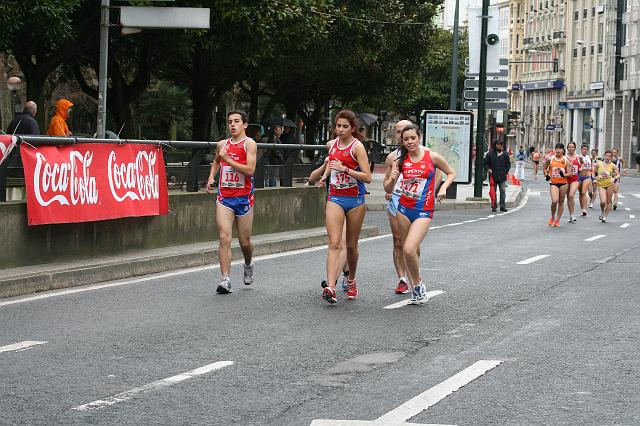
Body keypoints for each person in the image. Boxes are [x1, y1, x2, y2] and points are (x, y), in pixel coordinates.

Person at [384, 124, 456, 304]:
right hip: (403, 209)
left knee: (409, 248)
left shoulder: (431, 156)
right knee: (410, 250)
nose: (409, 142)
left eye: (412, 138)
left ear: (419, 138)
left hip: (423, 209)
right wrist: (392, 178)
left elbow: (451, 173)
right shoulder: (400, 160)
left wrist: (443, 188)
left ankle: (418, 286)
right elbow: (388, 189)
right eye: (405, 139)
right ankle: (415, 288)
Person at [318, 109, 372, 303]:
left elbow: (368, 177)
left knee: (351, 246)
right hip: (335, 197)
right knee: (334, 243)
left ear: (353, 128)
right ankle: (331, 287)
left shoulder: (357, 147)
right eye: (338, 126)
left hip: (355, 199)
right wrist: (325, 176)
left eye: (345, 127)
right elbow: (329, 165)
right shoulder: (331, 145)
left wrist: (346, 169)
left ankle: (351, 279)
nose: (340, 130)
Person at [206, 111, 258, 294]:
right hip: (224, 198)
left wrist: (228, 159)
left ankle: (248, 262)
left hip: (243, 198)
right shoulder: (222, 144)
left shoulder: (249, 144)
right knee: (224, 237)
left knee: (245, 242)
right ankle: (225, 279)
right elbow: (216, 161)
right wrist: (211, 177)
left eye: (237, 121)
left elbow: (250, 170)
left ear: (245, 124)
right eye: (230, 122)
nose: (233, 125)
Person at [309, 158, 349, 290]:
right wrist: (325, 165)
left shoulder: (355, 152)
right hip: (332, 203)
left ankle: (333, 282)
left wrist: (344, 169)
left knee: (343, 244)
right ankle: (347, 273)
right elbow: (312, 177)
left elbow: (365, 176)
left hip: (350, 203)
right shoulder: (330, 157)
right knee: (336, 243)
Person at [383, 119, 413, 294]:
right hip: (396, 200)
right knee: (398, 241)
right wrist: (391, 185)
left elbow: (438, 172)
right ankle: (402, 278)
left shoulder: (423, 154)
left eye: (405, 130)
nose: (402, 135)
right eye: (398, 131)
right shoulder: (391, 157)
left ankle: (413, 275)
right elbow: (386, 184)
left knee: (411, 243)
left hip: (414, 200)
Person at [544, 142, 570, 227]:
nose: (558, 150)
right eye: (557, 148)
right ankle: (552, 217)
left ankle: (558, 220)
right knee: (554, 201)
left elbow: (570, 173)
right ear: (555, 150)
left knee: (561, 202)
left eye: (560, 148)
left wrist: (564, 175)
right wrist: (546, 175)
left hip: (563, 183)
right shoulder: (551, 159)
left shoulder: (566, 161)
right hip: (554, 183)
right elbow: (544, 167)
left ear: (563, 150)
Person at [484, 140, 511, 212]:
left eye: (501, 144)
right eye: (498, 144)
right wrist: (488, 169)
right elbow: (486, 163)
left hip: (502, 177)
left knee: (502, 191)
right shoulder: (490, 154)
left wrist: (505, 171)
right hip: (493, 177)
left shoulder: (505, 154)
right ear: (495, 145)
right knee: (493, 192)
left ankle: (502, 206)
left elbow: (508, 164)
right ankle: (494, 206)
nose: (500, 146)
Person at [593, 150, 619, 223]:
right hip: (601, 184)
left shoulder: (613, 165)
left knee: (608, 201)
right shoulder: (599, 164)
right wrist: (595, 178)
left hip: (610, 185)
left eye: (609, 156)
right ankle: (602, 211)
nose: (607, 157)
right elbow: (593, 172)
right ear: (604, 156)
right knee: (603, 202)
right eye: (606, 155)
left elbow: (618, 174)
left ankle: (605, 216)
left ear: (611, 157)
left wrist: (614, 178)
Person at [565, 142, 580, 223]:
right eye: (569, 147)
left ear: (575, 148)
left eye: (572, 147)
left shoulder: (578, 157)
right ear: (567, 148)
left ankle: (573, 215)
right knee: (568, 197)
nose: (571, 148)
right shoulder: (565, 158)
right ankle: (571, 215)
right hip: (566, 179)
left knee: (571, 195)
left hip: (575, 179)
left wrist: (581, 169)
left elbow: (583, 165)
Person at [577, 144, 593, 217]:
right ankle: (582, 209)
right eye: (583, 149)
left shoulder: (590, 157)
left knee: (584, 192)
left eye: (586, 149)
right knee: (580, 193)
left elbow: (592, 167)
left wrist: (593, 176)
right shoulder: (578, 157)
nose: (584, 150)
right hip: (579, 176)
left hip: (587, 176)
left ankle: (584, 209)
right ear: (581, 150)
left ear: (587, 150)